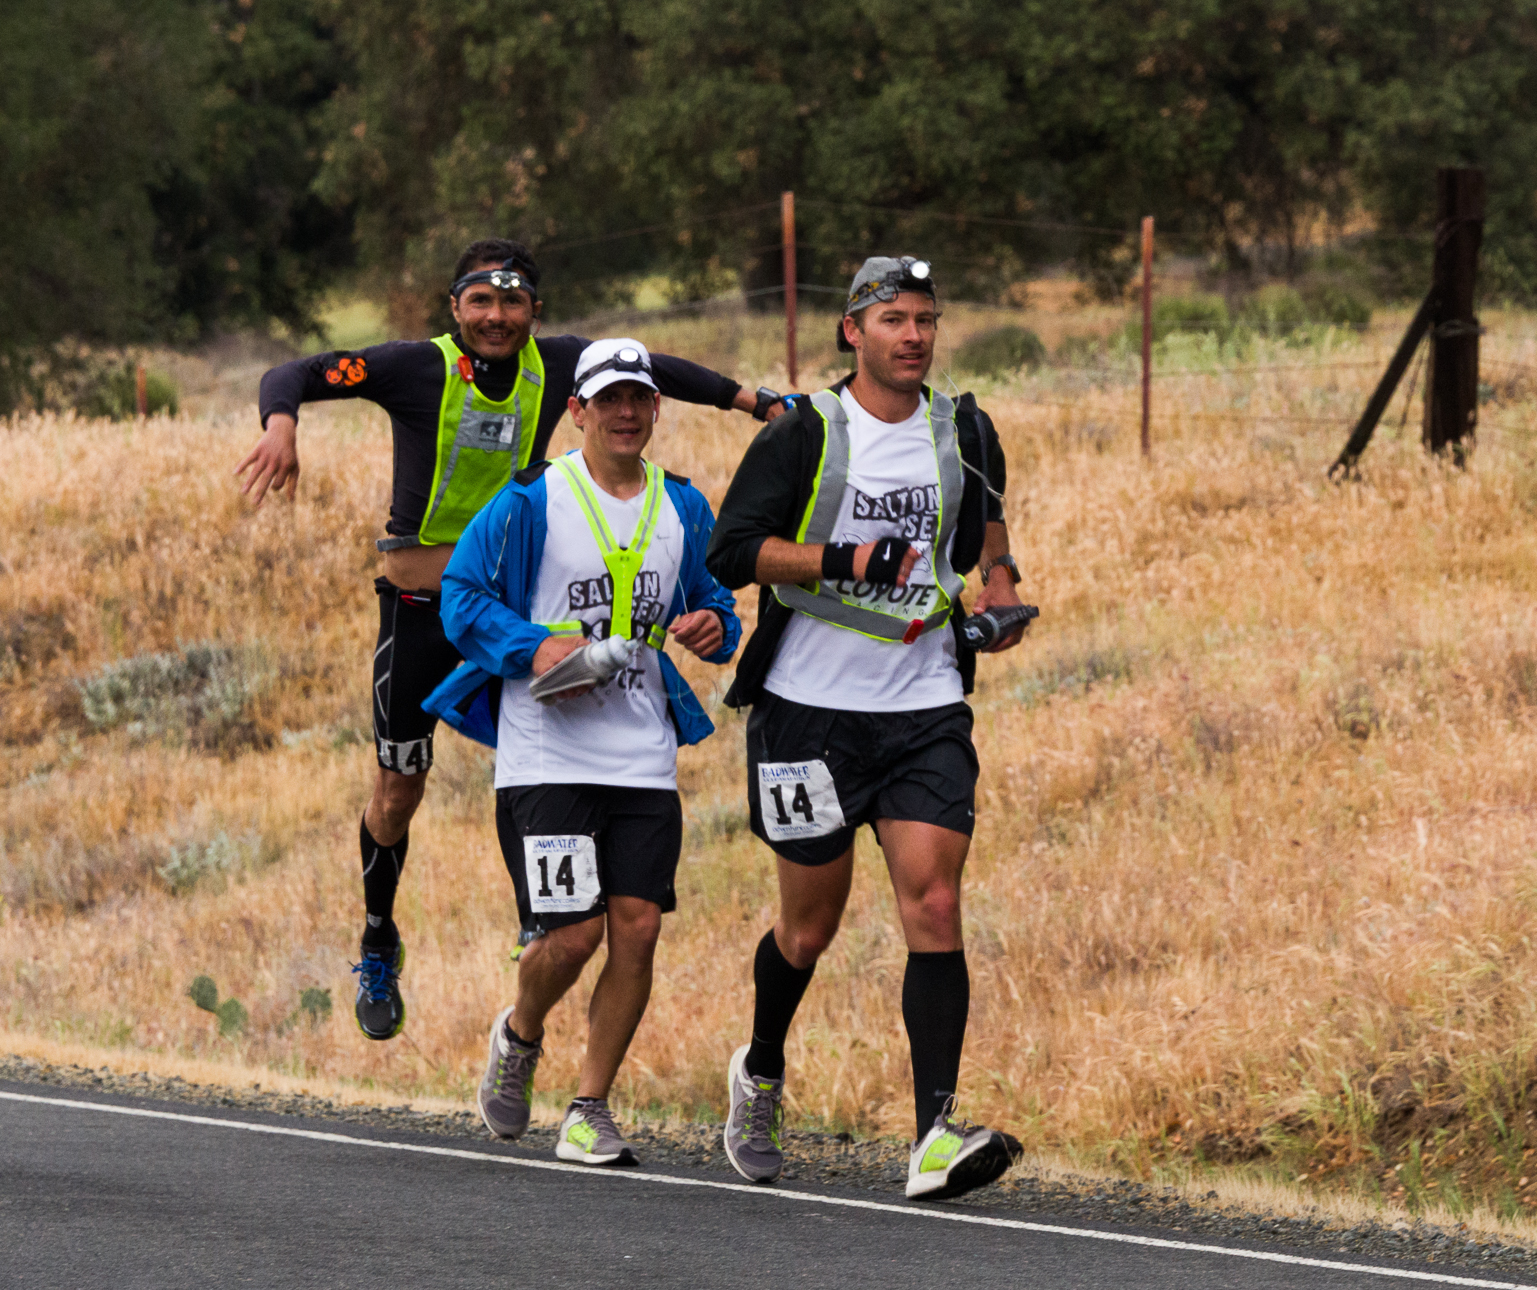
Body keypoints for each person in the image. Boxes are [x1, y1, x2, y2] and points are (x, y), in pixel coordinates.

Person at [232, 238, 785, 1044]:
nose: (497, 317)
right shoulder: (412, 366)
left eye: (513, 302)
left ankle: (544, 920)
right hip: (422, 611)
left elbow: (656, 369)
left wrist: (760, 402)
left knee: (540, 763)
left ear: (534, 309)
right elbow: (293, 374)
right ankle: (379, 935)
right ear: (455, 308)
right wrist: (281, 425)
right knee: (397, 790)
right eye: (480, 303)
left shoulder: (561, 366)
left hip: (520, 622)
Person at [707, 255, 1033, 1201]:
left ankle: (933, 1132)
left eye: (926, 318)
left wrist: (1001, 592)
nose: (915, 335)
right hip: (808, 713)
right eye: (894, 318)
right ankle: (761, 1067)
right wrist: (840, 555)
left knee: (933, 905)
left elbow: (987, 525)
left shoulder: (964, 426)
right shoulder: (804, 432)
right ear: (852, 331)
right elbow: (733, 551)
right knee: (808, 929)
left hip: (923, 703)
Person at [424, 337, 740, 1165]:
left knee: (634, 929)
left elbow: (713, 602)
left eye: (639, 398)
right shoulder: (532, 499)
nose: (626, 413)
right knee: (572, 934)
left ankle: (589, 1105)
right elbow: (460, 596)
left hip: (642, 753)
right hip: (544, 752)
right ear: (578, 410)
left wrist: (715, 628)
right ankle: (521, 1031)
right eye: (608, 400)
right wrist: (532, 647)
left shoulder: (685, 506)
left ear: (656, 408)